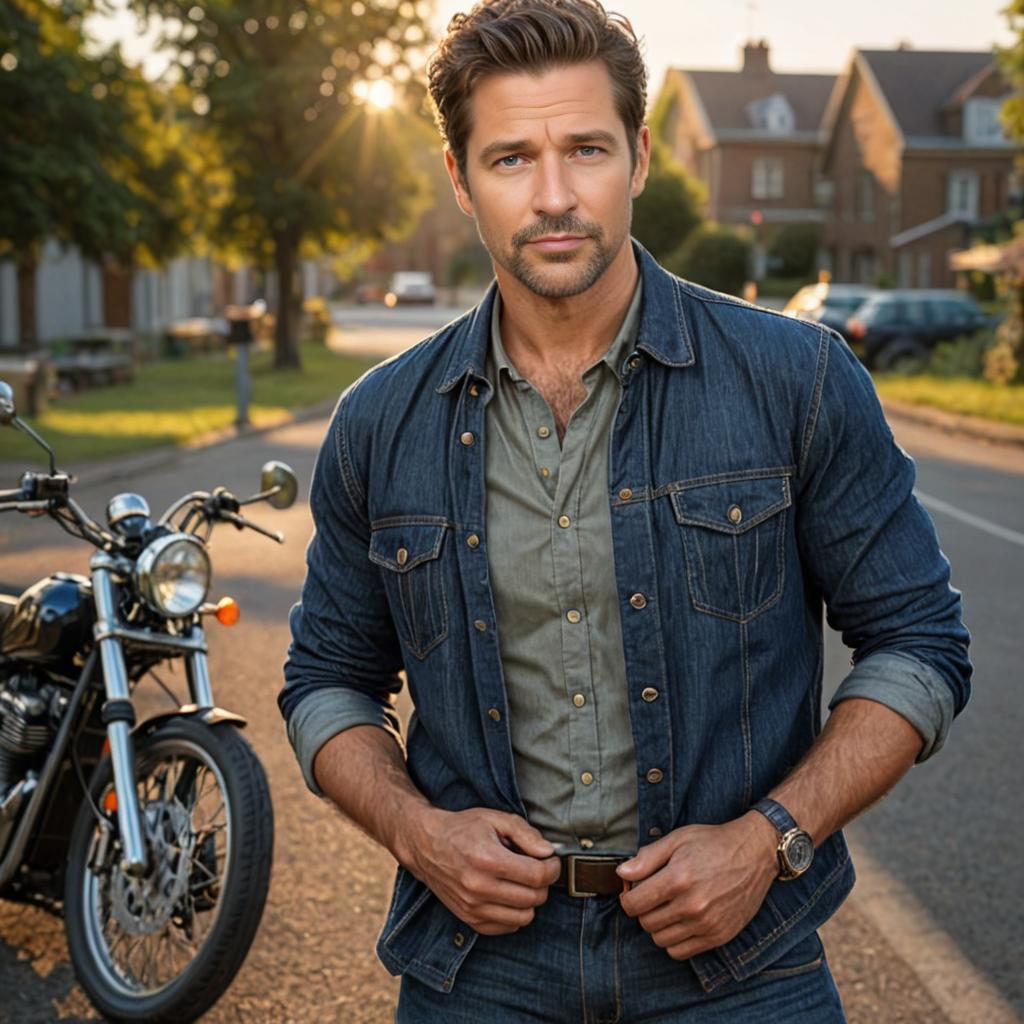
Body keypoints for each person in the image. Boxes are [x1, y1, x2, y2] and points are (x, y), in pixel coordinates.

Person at [279, 1, 971, 1019]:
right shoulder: (380, 422)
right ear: (458, 177)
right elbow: (324, 683)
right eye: (511, 157)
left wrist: (768, 837)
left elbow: (919, 644)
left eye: (586, 149)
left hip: (744, 958)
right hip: (478, 965)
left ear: (639, 157)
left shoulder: (796, 379)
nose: (554, 195)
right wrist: (421, 835)